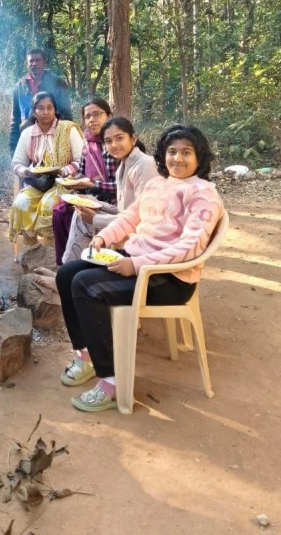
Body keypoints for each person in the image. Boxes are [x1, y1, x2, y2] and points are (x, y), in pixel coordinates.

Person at [55, 125, 224, 413]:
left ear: (200, 157)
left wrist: (135, 265)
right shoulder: (158, 183)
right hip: (138, 262)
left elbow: (190, 247)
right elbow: (130, 217)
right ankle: (85, 356)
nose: (177, 159)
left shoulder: (203, 194)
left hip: (169, 279)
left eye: (186, 152)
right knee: (67, 273)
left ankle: (111, 381)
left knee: (85, 286)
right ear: (162, 155)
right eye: (172, 152)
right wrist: (102, 237)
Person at [35, 117, 159, 290]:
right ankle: (64, 274)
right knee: (78, 216)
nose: (114, 145)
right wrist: (96, 203)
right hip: (128, 224)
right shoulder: (124, 165)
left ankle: (64, 279)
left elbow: (143, 219)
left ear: (133, 138)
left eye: (119, 138)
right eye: (108, 141)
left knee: (83, 221)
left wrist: (96, 219)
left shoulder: (145, 165)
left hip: (142, 239)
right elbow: (126, 210)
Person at [10, 91, 83, 248]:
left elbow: (82, 161)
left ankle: (51, 250)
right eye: (41, 108)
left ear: (55, 110)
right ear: (34, 112)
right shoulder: (27, 134)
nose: (46, 112)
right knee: (21, 203)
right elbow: (17, 163)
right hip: (38, 183)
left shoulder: (68, 129)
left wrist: (62, 171)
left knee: (48, 205)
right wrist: (28, 172)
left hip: (65, 183)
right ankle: (32, 249)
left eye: (50, 108)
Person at [52, 97, 118, 265]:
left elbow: (122, 186)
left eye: (97, 114)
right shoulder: (87, 144)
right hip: (89, 196)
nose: (92, 120)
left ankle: (87, 262)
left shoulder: (117, 145)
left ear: (109, 116)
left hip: (113, 201)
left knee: (76, 215)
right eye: (87, 116)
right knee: (60, 211)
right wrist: (74, 180)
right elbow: (82, 173)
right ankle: (65, 263)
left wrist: (93, 185)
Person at [10, 48, 72, 154]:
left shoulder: (58, 83)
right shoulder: (20, 86)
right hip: (27, 138)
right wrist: (13, 145)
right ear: (27, 63)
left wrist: (65, 138)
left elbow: (66, 114)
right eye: (31, 61)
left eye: (38, 60)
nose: (34, 64)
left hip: (53, 137)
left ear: (45, 62)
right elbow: (15, 118)